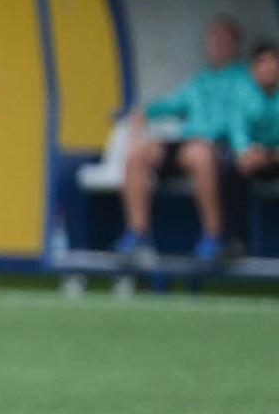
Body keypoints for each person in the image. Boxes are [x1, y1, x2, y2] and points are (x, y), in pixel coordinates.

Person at [116, 14, 250, 268]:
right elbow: (171, 103)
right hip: (189, 144)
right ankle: (138, 233)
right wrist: (143, 112)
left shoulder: (243, 80)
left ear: (235, 45)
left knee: (199, 153)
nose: (217, 46)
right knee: (138, 152)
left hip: (219, 147)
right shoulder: (200, 80)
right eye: (213, 40)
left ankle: (213, 235)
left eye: (224, 40)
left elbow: (241, 120)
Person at [228, 41, 279, 185]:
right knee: (244, 162)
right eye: (263, 62)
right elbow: (238, 130)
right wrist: (246, 150)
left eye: (274, 61)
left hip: (275, 153)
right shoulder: (242, 94)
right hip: (252, 153)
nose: (270, 67)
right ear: (253, 69)